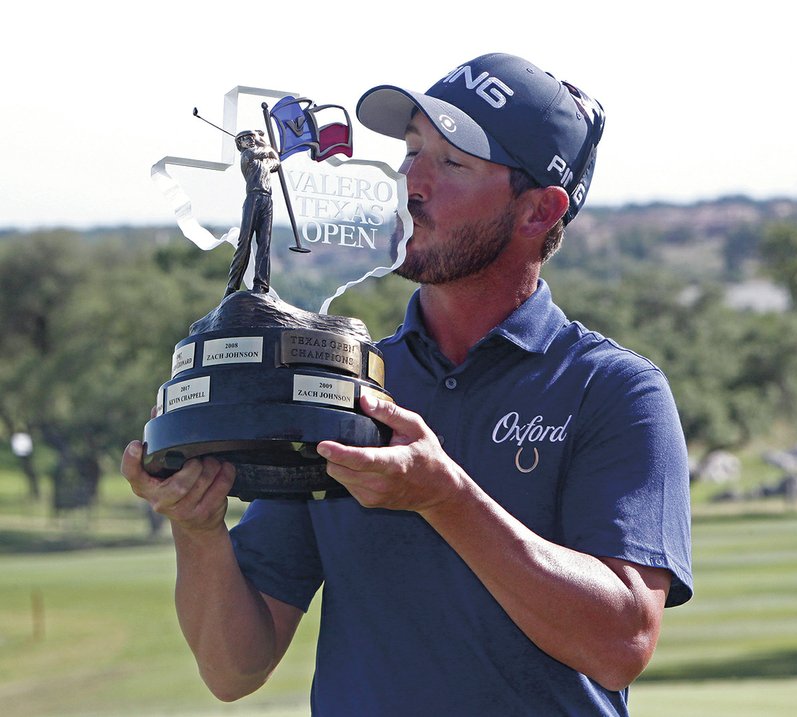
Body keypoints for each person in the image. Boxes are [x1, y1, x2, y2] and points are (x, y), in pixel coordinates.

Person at [122, 52, 692, 715]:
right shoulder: (333, 384)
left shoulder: (614, 390)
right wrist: (198, 530)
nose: (410, 182)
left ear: (538, 211)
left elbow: (621, 640)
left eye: (452, 163)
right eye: (412, 149)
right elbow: (232, 667)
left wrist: (443, 496)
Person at [225, 129, 280, 295]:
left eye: (250, 137)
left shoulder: (263, 162)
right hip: (253, 198)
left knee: (264, 243)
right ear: (239, 145)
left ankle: (261, 285)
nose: (248, 140)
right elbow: (268, 151)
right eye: (244, 139)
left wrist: (267, 146)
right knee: (245, 242)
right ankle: (232, 286)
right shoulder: (247, 155)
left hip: (266, 199)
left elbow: (276, 161)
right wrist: (262, 140)